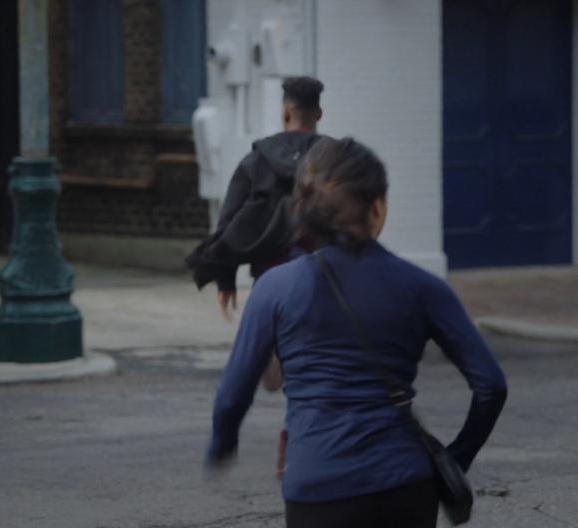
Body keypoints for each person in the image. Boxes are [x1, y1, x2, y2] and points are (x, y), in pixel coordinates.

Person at [205, 137, 508, 527]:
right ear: (377, 209)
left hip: (316, 484)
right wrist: (455, 458)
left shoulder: (274, 288)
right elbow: (491, 385)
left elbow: (232, 395)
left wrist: (222, 444)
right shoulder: (422, 288)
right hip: (404, 484)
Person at [186, 76, 325, 394]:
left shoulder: (257, 159)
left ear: (285, 113)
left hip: (271, 273)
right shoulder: (335, 159)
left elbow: (230, 218)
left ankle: (275, 346)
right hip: (321, 270)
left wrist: (225, 277)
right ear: (319, 114)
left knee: (275, 334)